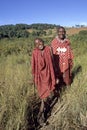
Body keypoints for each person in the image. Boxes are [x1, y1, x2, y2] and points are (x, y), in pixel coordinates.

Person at [31, 38, 56, 126]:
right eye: (37, 44)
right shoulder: (34, 52)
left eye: (41, 42)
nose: (40, 44)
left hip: (48, 75)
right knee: (43, 97)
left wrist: (54, 75)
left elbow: (52, 62)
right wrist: (33, 78)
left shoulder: (48, 49)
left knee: (45, 97)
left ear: (43, 42)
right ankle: (40, 117)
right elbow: (33, 66)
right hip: (40, 77)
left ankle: (41, 117)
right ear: (35, 45)